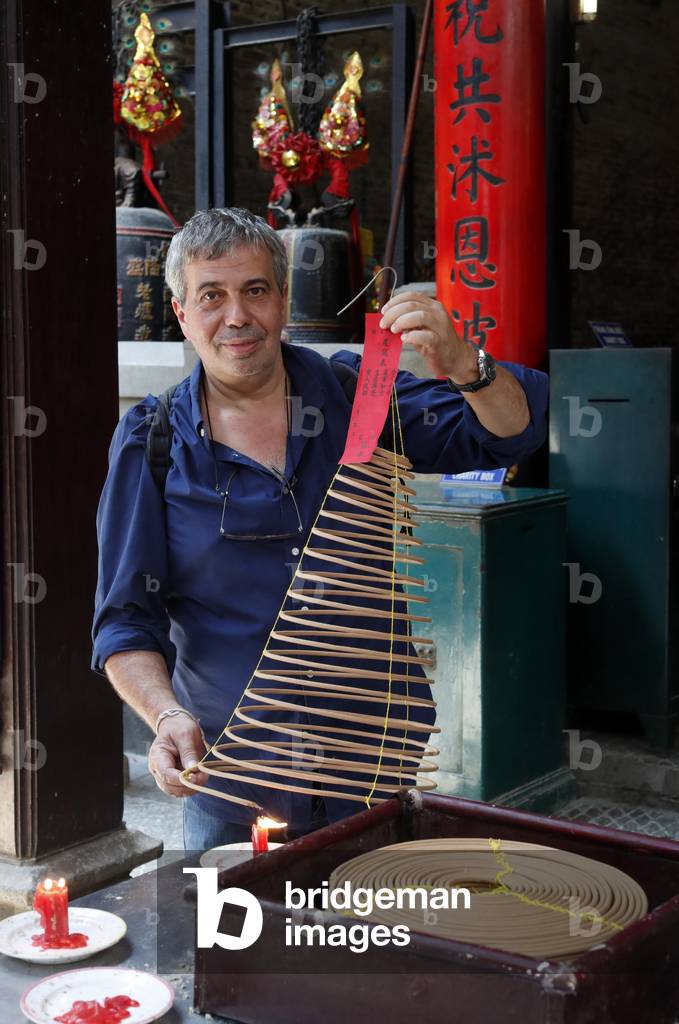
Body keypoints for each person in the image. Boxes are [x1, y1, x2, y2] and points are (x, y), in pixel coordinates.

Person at [92, 207, 548, 851]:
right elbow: (123, 620)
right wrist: (163, 715)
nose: (237, 316)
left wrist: (465, 362)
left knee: (367, 944)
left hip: (373, 769)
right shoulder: (154, 440)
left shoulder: (356, 397)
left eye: (255, 290)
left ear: (282, 297)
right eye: (212, 296)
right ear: (182, 311)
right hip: (233, 778)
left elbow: (508, 431)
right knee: (238, 950)